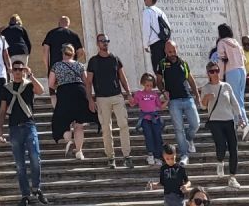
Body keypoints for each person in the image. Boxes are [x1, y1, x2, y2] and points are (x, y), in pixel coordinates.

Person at [0, 59, 48, 206]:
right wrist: (0, 131)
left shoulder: (29, 85)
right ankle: (25, 194)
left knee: (35, 158)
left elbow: (41, 91)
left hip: (29, 125)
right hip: (14, 128)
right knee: (19, 164)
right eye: (16, 69)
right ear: (12, 72)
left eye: (21, 69)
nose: (18, 72)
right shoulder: (6, 89)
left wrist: (31, 75)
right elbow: (1, 111)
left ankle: (36, 188)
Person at [87, 32, 133, 169]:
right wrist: (90, 99)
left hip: (117, 95)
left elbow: (122, 78)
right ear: (97, 43)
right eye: (102, 41)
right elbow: (88, 82)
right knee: (106, 128)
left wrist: (129, 93)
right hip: (101, 98)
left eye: (107, 40)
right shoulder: (93, 61)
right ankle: (111, 157)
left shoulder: (115, 59)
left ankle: (127, 156)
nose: (105, 43)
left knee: (123, 124)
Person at [198, 62, 246, 189]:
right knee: (221, 146)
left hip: (229, 120)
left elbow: (235, 103)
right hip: (215, 121)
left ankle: (232, 177)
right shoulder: (205, 88)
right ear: (208, 73)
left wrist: (241, 117)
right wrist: (206, 98)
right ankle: (220, 161)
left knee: (233, 148)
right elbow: (202, 106)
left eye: (216, 70)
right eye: (212, 71)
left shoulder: (226, 86)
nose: (215, 73)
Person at [50, 43, 96, 159]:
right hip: (79, 93)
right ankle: (79, 151)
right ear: (73, 53)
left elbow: (51, 84)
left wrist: (59, 86)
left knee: (64, 122)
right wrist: (90, 98)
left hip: (64, 93)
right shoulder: (79, 65)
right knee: (79, 124)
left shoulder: (57, 65)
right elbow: (86, 82)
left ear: (62, 53)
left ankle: (69, 142)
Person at [158, 39, 200, 158]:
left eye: (174, 51)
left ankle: (189, 138)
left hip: (187, 97)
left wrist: (197, 95)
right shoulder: (162, 64)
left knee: (196, 124)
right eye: (169, 51)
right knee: (178, 129)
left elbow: (190, 80)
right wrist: (163, 91)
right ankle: (184, 154)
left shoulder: (183, 63)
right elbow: (158, 81)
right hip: (173, 100)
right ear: (165, 51)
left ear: (177, 49)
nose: (172, 53)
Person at [133, 71, 167, 166]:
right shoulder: (139, 94)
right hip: (145, 118)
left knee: (157, 136)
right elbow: (133, 103)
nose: (149, 87)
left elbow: (160, 106)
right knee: (148, 136)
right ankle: (150, 154)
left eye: (151, 85)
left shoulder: (154, 94)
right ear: (143, 84)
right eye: (147, 85)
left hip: (155, 118)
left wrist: (167, 100)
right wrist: (130, 99)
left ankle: (158, 156)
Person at [213, 25, 248, 107]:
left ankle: (239, 119)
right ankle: (244, 119)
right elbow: (244, 60)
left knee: (235, 98)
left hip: (232, 71)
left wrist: (220, 76)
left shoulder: (221, 43)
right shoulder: (236, 42)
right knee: (240, 97)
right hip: (242, 70)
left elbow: (221, 60)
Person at [142, 0, 172, 72]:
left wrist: (145, 45)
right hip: (164, 43)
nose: (144, 0)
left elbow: (146, 29)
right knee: (166, 67)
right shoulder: (160, 11)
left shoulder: (147, 11)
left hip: (156, 45)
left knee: (158, 70)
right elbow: (168, 27)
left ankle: (161, 84)